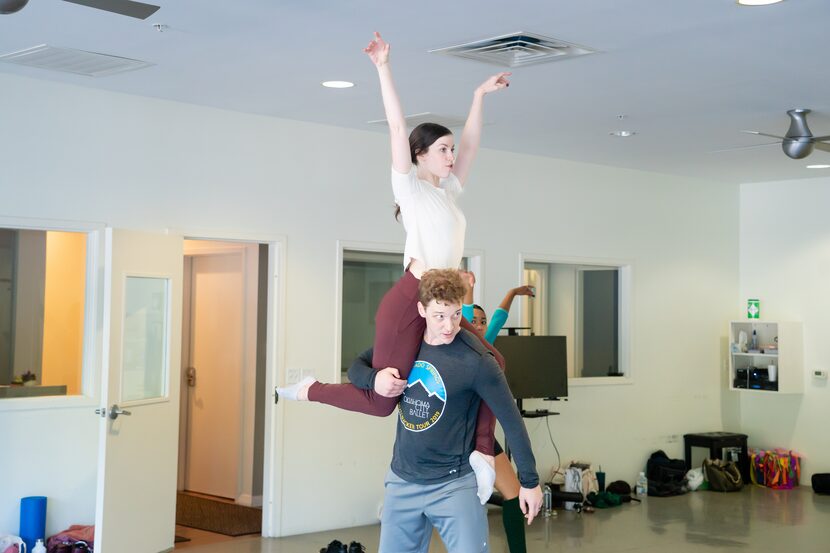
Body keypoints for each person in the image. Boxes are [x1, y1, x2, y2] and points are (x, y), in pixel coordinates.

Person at [277, 32, 511, 502]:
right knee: (384, 401)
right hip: (409, 301)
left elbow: (471, 145)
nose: (450, 156)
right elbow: (394, 125)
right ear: (420, 155)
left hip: (442, 304)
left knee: (494, 362)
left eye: (449, 149)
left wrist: (478, 96)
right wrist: (382, 67)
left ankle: (482, 454)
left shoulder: (448, 192)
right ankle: (310, 389)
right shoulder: (412, 189)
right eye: (441, 149)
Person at [347, 269, 543, 553]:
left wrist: (530, 481)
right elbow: (358, 365)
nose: (449, 326)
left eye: (454, 315)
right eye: (439, 316)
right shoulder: (406, 342)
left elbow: (511, 419)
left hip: (454, 484)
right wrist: (373, 379)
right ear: (421, 309)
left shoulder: (478, 361)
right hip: (402, 480)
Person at [460, 272, 535, 553]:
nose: (479, 326)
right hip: (459, 439)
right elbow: (466, 312)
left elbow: (499, 319)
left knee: (515, 495)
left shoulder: (486, 346)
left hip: (486, 439)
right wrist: (469, 287)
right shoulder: (462, 343)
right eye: (474, 321)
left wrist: (513, 293)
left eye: (483, 321)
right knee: (465, 506)